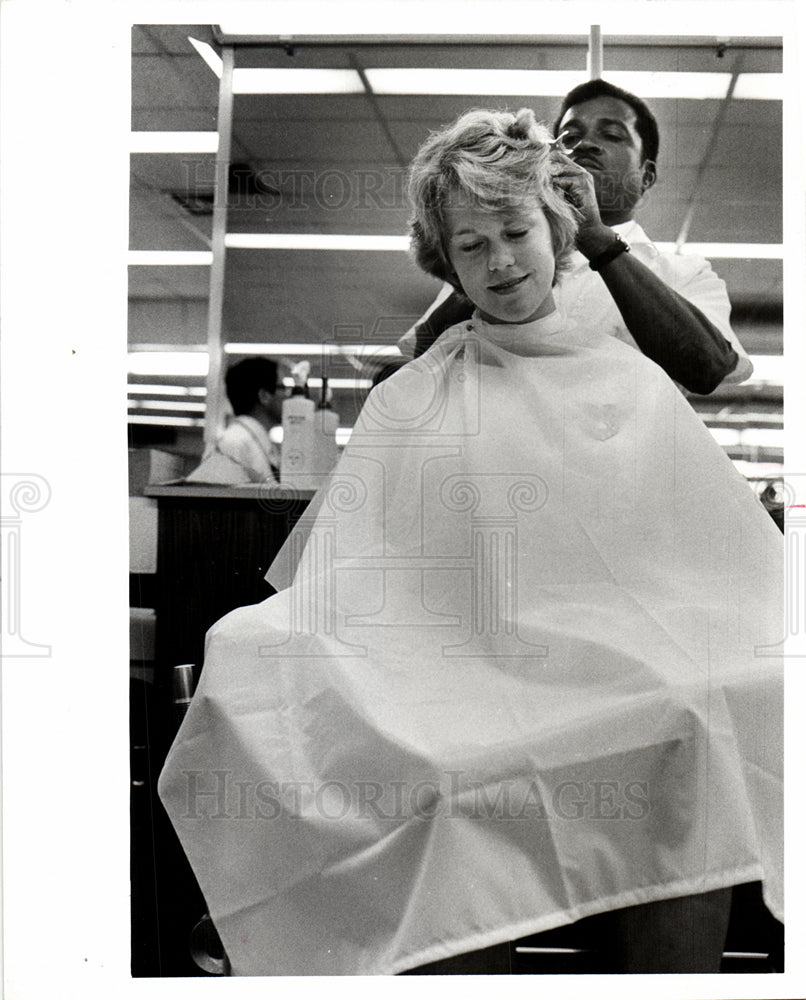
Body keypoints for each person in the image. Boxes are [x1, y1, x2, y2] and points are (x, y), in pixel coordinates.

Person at [158, 108, 782, 976]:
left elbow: (695, 565)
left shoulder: (633, 380)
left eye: (517, 233)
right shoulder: (415, 394)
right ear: (444, 264)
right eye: (471, 246)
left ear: (557, 232)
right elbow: (363, 576)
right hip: (454, 668)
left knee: (691, 736)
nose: (500, 263)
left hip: (614, 666)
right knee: (417, 769)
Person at [399, 79, 752, 395]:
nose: (585, 145)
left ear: (646, 176)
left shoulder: (683, 273)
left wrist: (597, 238)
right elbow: (425, 356)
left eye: (612, 135)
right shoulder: (498, 251)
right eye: (569, 137)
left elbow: (707, 370)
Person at [185, 357, 283, 484]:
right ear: (264, 396)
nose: (289, 395)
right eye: (283, 387)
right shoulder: (234, 442)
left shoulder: (257, 443)